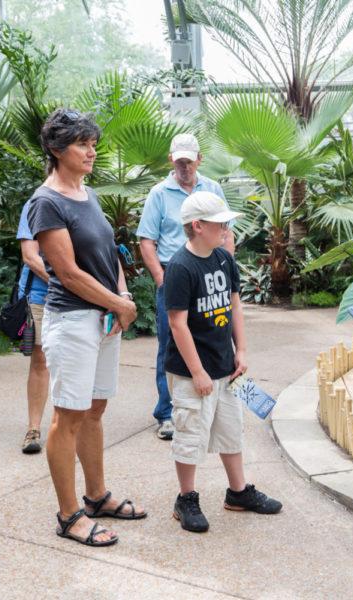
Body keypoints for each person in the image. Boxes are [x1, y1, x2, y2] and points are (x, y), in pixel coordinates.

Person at [28, 108, 146, 547]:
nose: (91, 150)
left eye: (93, 142)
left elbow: (109, 253)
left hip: (103, 318)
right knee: (68, 416)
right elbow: (68, 272)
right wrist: (119, 303)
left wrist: (122, 300)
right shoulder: (47, 201)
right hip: (73, 321)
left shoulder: (86, 193)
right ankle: (68, 514)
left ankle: (96, 496)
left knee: (95, 410)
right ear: (57, 150)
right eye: (82, 144)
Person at [164, 191, 282, 533]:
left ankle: (238, 491)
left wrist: (240, 350)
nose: (227, 228)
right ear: (197, 226)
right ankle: (186, 498)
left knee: (231, 430)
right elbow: (177, 323)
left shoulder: (223, 258)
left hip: (225, 366)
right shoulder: (180, 267)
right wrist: (197, 372)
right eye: (220, 224)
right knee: (190, 433)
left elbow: (234, 305)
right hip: (192, 372)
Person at [137, 133, 235, 441]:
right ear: (171, 160)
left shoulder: (213, 189)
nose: (184, 167)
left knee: (215, 334)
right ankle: (166, 413)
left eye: (189, 162)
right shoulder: (159, 193)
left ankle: (214, 400)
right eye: (179, 161)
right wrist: (161, 279)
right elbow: (147, 241)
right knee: (171, 342)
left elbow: (226, 232)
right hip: (174, 274)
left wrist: (226, 268)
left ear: (199, 159)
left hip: (210, 272)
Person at [16, 197, 50, 454]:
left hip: (78, 297)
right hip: (40, 296)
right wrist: (65, 283)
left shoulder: (86, 200)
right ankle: (33, 428)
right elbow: (30, 256)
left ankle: (71, 425)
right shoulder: (36, 203)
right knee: (40, 360)